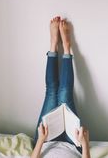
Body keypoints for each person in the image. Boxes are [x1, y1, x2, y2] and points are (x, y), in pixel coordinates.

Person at [31, 16, 91, 158]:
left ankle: (53, 44)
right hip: (72, 143)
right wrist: (85, 144)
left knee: (52, 91)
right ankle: (66, 47)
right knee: (65, 93)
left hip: (45, 140)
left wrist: (40, 139)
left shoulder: (43, 140)